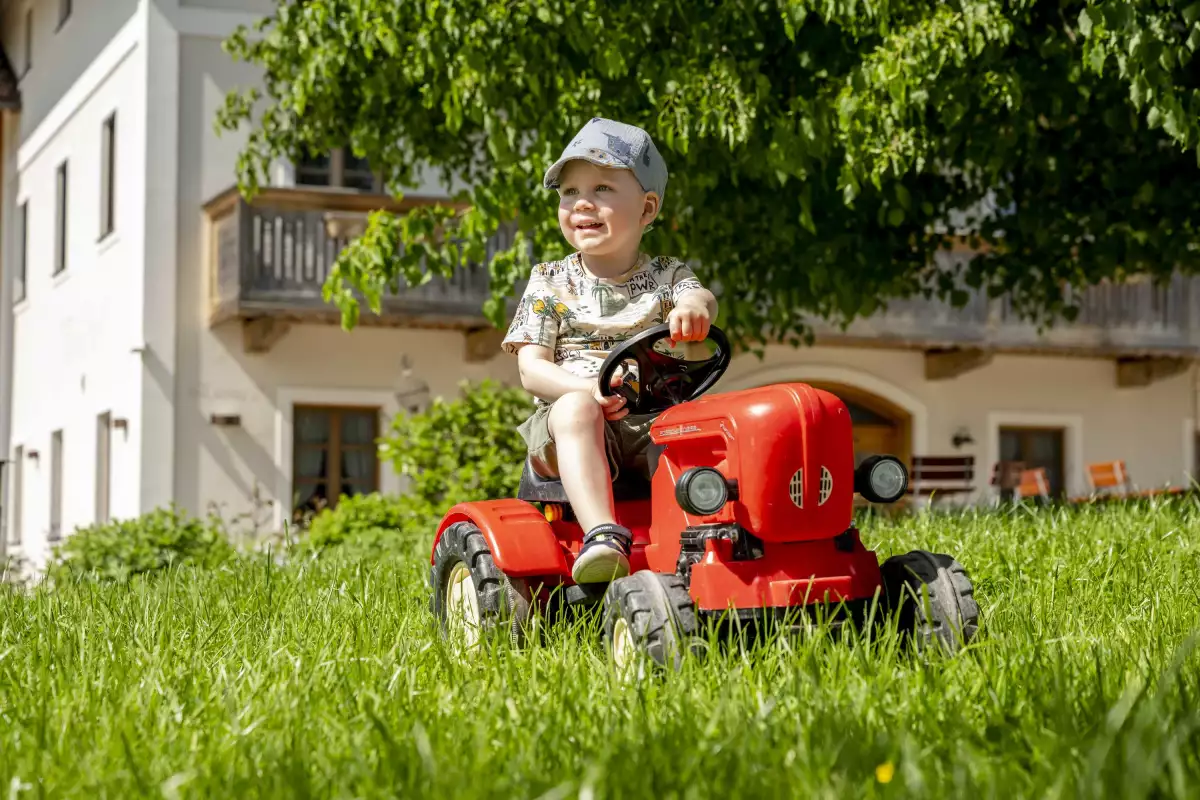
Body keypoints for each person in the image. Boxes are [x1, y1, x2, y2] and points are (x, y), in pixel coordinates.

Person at [501, 117, 719, 584]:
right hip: (568, 430)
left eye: (602, 187)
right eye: (568, 191)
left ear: (646, 208)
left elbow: (700, 297)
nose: (581, 202)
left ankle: (706, 531)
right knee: (577, 410)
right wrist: (587, 389)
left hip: (651, 418)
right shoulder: (550, 281)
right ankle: (603, 534)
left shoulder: (667, 276)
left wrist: (694, 309)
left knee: (701, 422)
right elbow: (531, 370)